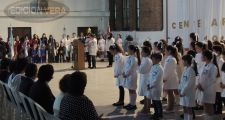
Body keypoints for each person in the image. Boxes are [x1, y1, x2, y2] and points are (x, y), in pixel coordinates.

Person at [197, 50, 219, 119]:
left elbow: (212, 79)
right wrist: (199, 84)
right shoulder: (204, 65)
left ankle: (210, 118)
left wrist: (203, 87)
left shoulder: (213, 67)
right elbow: (200, 76)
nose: (201, 57)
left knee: (209, 105)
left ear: (205, 57)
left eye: (202, 56)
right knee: (205, 104)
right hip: (202, 88)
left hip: (209, 89)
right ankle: (206, 118)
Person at [178, 54, 197, 120]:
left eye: (183, 61)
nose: (182, 62)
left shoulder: (191, 71)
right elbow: (182, 80)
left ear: (186, 61)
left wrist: (183, 92)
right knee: (184, 107)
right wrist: (179, 88)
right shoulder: (185, 69)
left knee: (189, 108)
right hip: (183, 92)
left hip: (188, 93)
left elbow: (189, 83)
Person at [123, 45, 141, 110]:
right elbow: (125, 66)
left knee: (132, 90)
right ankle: (131, 103)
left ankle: (133, 105)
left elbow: (131, 68)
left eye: (128, 49)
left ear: (132, 50)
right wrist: (123, 72)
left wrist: (126, 74)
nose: (127, 50)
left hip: (132, 76)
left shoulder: (134, 59)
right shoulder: (128, 57)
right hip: (127, 75)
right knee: (130, 90)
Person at [147, 53, 163, 119]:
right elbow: (150, 76)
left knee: (157, 102)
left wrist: (151, 85)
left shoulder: (160, 68)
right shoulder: (153, 66)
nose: (152, 60)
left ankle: (159, 114)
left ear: (158, 59)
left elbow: (157, 79)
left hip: (156, 87)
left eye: (153, 59)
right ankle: (156, 113)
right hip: (151, 87)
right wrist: (148, 84)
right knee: (154, 101)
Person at [163, 45, 179, 112]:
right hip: (169, 78)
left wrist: (164, 78)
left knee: (170, 93)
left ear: (169, 51)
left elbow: (168, 70)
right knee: (169, 93)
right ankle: (169, 106)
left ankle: (170, 108)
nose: (164, 51)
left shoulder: (171, 59)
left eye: (165, 50)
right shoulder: (169, 58)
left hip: (170, 78)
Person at [138, 46, 152, 114]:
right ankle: (145, 107)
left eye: (142, 51)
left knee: (147, 95)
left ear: (146, 52)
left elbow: (141, 70)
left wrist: (139, 68)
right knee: (145, 94)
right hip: (144, 78)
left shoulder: (147, 60)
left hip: (147, 79)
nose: (141, 52)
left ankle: (147, 108)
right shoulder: (144, 59)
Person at [212, 45, 224, 114]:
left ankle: (219, 110)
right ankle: (215, 109)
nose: (213, 52)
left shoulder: (221, 60)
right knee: (215, 96)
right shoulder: (215, 59)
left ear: (218, 52)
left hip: (219, 81)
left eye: (214, 50)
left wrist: (222, 82)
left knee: (218, 96)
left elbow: (221, 72)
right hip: (215, 81)